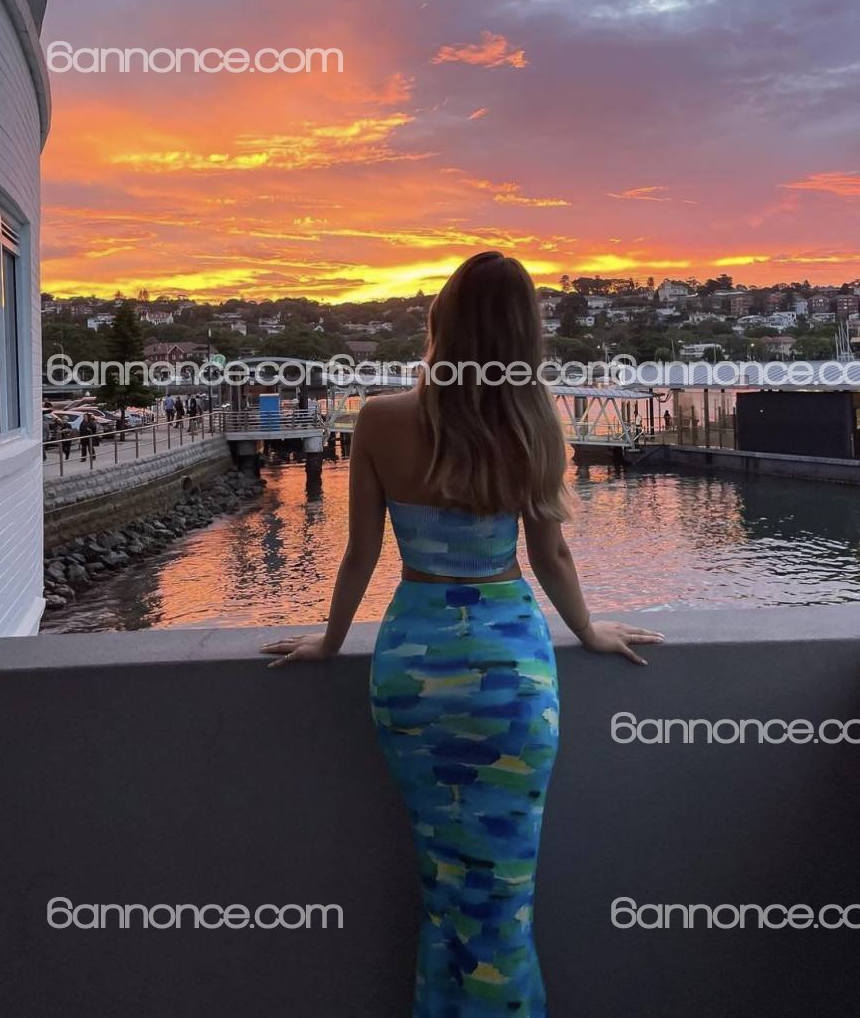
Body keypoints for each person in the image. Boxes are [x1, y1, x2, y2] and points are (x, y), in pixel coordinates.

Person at [261, 251, 663, 1015]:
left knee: (444, 884)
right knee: (504, 896)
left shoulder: (379, 419)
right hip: (511, 675)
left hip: (413, 674)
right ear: (526, 335)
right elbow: (551, 555)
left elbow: (360, 555)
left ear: (439, 320)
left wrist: (330, 641)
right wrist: (587, 629)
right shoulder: (534, 421)